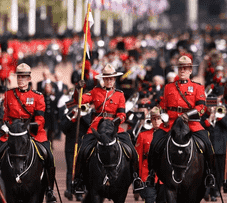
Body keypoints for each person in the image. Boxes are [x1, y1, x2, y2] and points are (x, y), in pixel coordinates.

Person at [73, 63, 145, 194]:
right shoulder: (95, 91)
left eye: (111, 78)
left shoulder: (119, 94)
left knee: (131, 149)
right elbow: (79, 101)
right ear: (103, 79)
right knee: (83, 150)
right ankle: (79, 180)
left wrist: (116, 122)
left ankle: (136, 178)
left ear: (114, 79)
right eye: (106, 78)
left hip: (114, 126)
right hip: (97, 125)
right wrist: (78, 88)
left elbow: (122, 114)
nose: (109, 80)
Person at [147, 55, 216, 188]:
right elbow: (163, 105)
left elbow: (202, 107)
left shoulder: (197, 87)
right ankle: (151, 173)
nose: (183, 71)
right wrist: (157, 110)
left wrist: (188, 115)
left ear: (190, 70)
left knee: (207, 144)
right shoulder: (169, 87)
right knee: (154, 142)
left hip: (191, 124)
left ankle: (209, 174)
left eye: (186, 68)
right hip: (171, 123)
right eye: (180, 68)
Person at [0, 63, 57, 202]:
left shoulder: (37, 96)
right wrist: (6, 126)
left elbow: (41, 118)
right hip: (13, 133)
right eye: (19, 77)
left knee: (49, 155)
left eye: (24, 77)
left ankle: (49, 190)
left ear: (29, 78)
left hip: (33, 132)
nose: (21, 80)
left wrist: (30, 128)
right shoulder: (9, 94)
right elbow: (6, 117)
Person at [201, 85, 227, 201]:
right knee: (207, 170)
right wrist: (209, 119)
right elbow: (200, 126)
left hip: (220, 147)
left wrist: (220, 118)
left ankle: (215, 191)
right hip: (207, 146)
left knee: (218, 172)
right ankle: (206, 190)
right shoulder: (205, 112)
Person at [135, 106, 166, 203]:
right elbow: (138, 158)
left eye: (158, 119)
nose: (156, 121)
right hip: (147, 174)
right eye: (154, 119)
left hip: (164, 176)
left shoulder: (168, 135)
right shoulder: (143, 135)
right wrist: (138, 177)